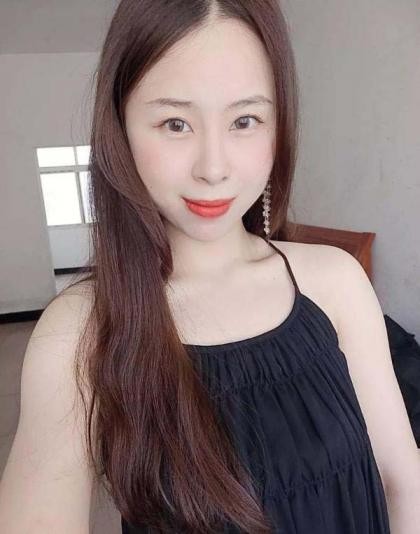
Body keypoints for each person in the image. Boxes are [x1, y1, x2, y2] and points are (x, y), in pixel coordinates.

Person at [1, 1, 419, 533]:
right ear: (120, 128)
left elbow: (403, 480)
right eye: (175, 123)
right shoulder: (78, 331)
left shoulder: (336, 282)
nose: (214, 168)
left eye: (245, 120)